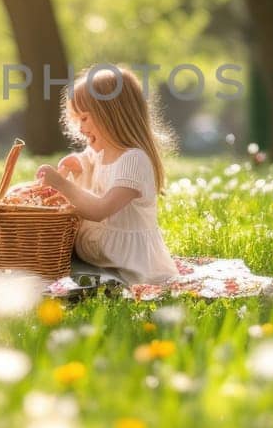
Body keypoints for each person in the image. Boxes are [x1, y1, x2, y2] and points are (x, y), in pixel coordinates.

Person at [36, 66, 178, 286]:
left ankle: (104, 282)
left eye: (84, 118)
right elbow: (88, 159)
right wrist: (77, 163)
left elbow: (100, 210)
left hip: (130, 268)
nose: (80, 128)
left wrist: (62, 184)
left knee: (78, 284)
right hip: (99, 260)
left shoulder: (134, 160)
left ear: (110, 115)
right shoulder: (100, 151)